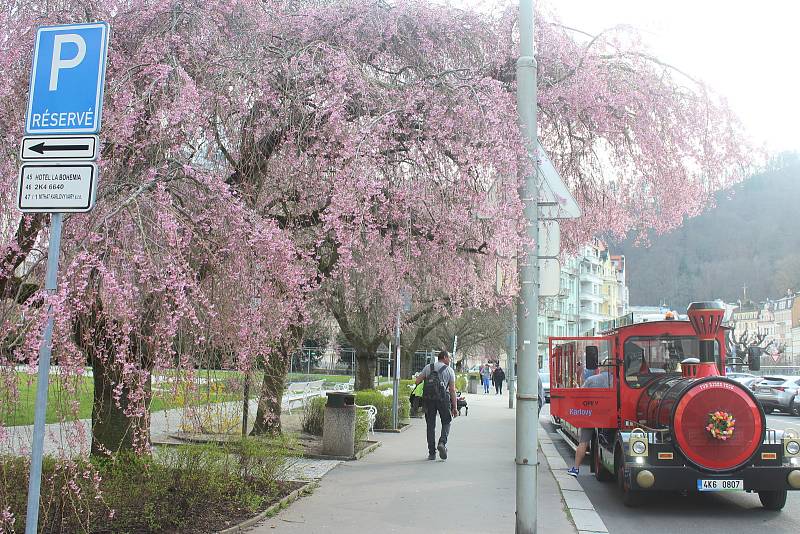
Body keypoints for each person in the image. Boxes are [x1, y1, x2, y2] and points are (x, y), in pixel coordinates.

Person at [568, 367, 614, 477]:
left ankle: (576, 469)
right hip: (607, 416)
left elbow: (580, 396)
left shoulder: (591, 379)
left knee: (583, 442)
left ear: (602, 368)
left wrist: (577, 387)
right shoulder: (615, 381)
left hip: (590, 415)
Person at [414, 350, 458, 460]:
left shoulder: (428, 367)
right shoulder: (449, 370)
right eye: (449, 357)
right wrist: (455, 407)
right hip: (443, 399)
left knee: (430, 425)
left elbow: (417, 381)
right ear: (444, 357)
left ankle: (431, 453)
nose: (450, 360)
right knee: (446, 421)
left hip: (428, 399)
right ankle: (442, 443)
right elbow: (452, 390)